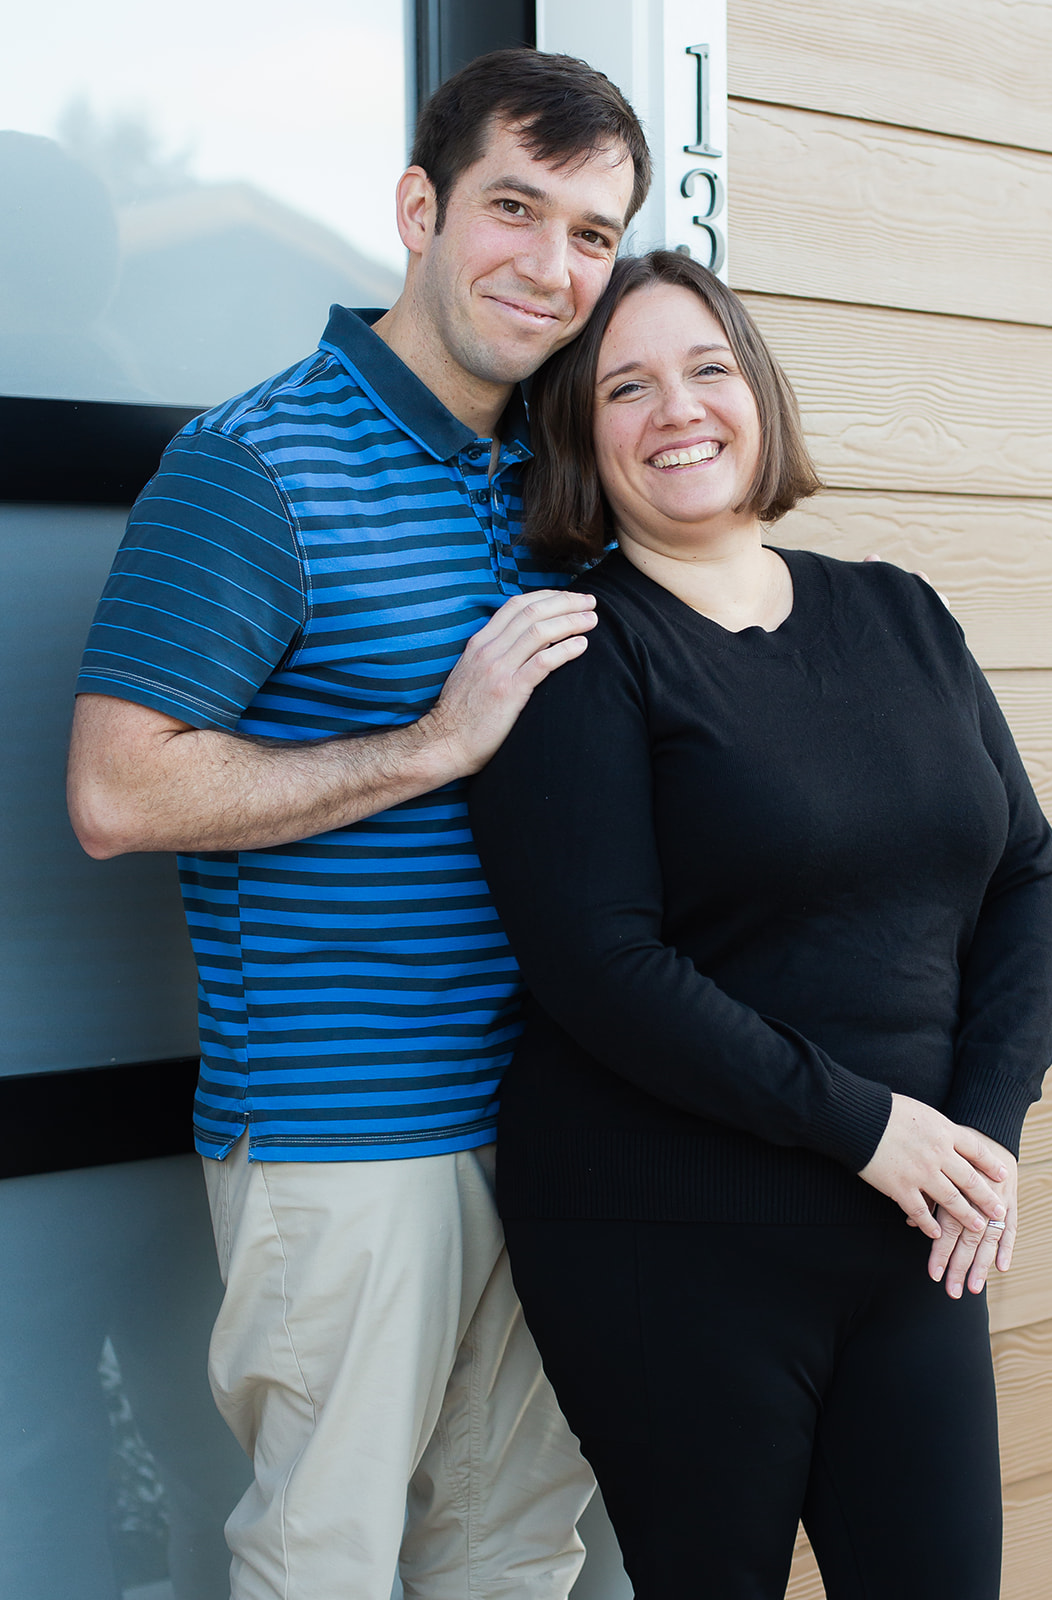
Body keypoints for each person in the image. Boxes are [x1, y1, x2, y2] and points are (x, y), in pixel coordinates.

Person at [66, 49, 651, 1600]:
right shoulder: (254, 462)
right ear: (418, 207)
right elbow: (120, 790)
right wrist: (432, 744)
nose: (552, 266)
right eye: (514, 209)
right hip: (346, 1133)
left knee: (518, 1552)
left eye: (594, 234)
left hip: (558, 1125)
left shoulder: (565, 479)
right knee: (323, 1562)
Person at [467, 250, 1052, 1600]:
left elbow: (1027, 876)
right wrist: (870, 1126)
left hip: (912, 1223)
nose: (676, 409)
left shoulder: (900, 614)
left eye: (706, 368)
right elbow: (601, 968)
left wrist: (981, 1134)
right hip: (670, 1238)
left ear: (760, 393)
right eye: (625, 387)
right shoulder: (576, 653)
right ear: (580, 438)